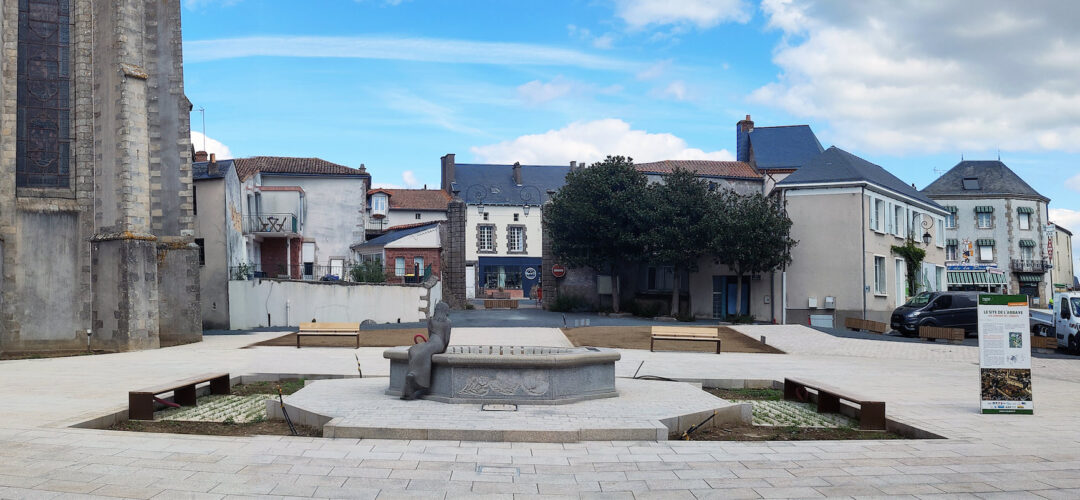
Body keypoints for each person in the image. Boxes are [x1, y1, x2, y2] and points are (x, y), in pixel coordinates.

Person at [401, 302, 451, 400]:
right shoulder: (448, 322)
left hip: (431, 342)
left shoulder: (431, 320)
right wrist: (443, 349)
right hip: (439, 344)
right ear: (445, 310)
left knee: (417, 350)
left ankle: (414, 377)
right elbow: (446, 339)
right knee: (414, 349)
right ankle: (415, 378)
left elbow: (429, 334)